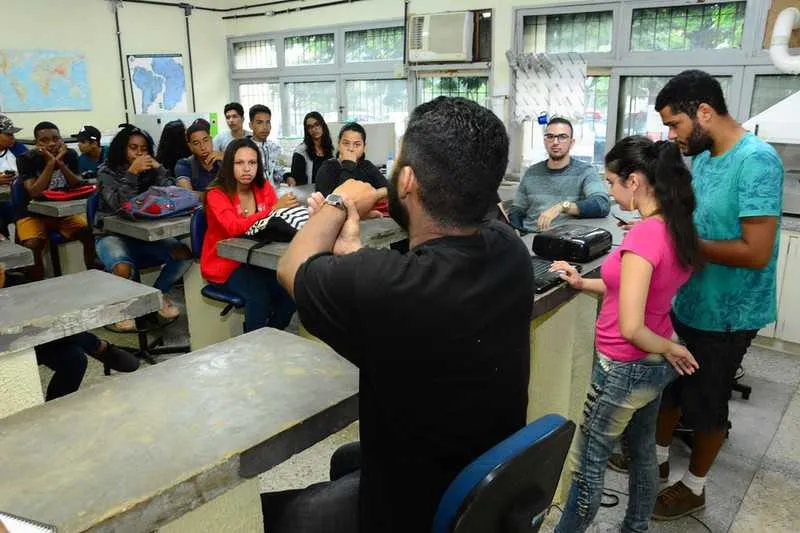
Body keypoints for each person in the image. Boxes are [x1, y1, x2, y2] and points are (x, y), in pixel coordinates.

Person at [268, 96, 532, 532]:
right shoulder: (510, 252)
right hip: (482, 479)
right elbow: (403, 281)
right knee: (344, 459)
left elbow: (291, 267)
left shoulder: (388, 285)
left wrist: (340, 200)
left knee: (298, 517)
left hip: (419, 505)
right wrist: (357, 241)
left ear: (406, 179)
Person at [628, 70, 782, 521]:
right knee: (670, 389)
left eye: (675, 125)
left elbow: (755, 253)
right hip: (690, 301)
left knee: (707, 403)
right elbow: (699, 224)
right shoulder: (708, 157)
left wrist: (683, 243)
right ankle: (653, 460)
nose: (672, 136)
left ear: (705, 112)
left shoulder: (757, 161)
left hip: (729, 313)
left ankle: (694, 486)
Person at [551, 136, 703, 533]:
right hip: (652, 364)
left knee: (587, 467)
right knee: (642, 453)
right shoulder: (673, 225)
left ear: (634, 180)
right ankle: (636, 527)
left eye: (612, 182)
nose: (611, 191)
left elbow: (632, 327)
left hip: (624, 365)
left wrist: (672, 347)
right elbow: (632, 291)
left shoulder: (645, 235)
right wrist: (583, 284)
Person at [94, 124, 192, 331]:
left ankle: (156, 297)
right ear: (122, 148)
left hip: (143, 235)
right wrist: (131, 173)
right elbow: (119, 206)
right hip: (111, 235)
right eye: (133, 148)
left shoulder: (150, 170)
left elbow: (171, 194)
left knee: (183, 253)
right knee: (122, 266)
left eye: (143, 149)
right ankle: (123, 309)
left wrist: (158, 169)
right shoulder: (106, 171)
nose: (139, 153)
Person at [0, 256, 139, 401]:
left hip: (29, 341)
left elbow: (42, 312)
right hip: (7, 347)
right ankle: (98, 346)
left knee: (74, 358)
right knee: (58, 336)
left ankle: (54, 409)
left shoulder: (16, 283)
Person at [201, 138, 298, 332]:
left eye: (252, 163)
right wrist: (271, 210)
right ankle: (255, 345)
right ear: (229, 164)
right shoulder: (216, 194)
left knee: (293, 287)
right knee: (258, 295)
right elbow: (233, 227)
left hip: (257, 259)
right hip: (224, 263)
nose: (247, 169)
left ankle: (273, 334)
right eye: (239, 163)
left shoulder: (263, 188)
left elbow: (276, 222)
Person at [15, 121, 96, 281]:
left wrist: (60, 163)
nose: (51, 143)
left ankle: (93, 274)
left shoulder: (70, 155)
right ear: (36, 143)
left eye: (55, 138)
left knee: (90, 233)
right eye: (44, 140)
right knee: (33, 245)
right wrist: (50, 163)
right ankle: (38, 284)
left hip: (61, 215)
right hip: (31, 214)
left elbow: (76, 184)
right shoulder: (26, 159)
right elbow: (34, 191)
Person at [510, 117, 610, 232]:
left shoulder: (585, 172)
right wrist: (515, 231)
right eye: (550, 137)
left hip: (562, 240)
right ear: (545, 141)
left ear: (571, 143)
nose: (555, 142)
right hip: (528, 235)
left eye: (562, 137)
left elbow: (602, 204)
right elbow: (517, 209)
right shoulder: (531, 172)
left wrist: (562, 206)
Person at [314, 122, 388, 198]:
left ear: (364, 148)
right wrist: (348, 165)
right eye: (346, 143)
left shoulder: (366, 166)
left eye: (357, 144)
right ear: (339, 145)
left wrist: (371, 195)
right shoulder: (327, 167)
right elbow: (335, 200)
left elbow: (388, 189)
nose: (351, 149)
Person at [175, 118, 223, 195]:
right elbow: (188, 194)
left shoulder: (223, 160)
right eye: (196, 143)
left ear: (211, 140)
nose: (203, 147)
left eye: (206, 140)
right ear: (190, 146)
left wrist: (228, 160)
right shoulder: (185, 164)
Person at [248, 104, 288, 189]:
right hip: (254, 197)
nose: (265, 127)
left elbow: (278, 173)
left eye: (268, 122)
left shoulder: (275, 148)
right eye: (259, 122)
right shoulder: (245, 149)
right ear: (251, 125)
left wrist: (287, 177)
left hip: (274, 195)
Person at [289, 111, 334, 186]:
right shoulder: (300, 152)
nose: (314, 129)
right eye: (310, 127)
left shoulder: (329, 147)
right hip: (308, 193)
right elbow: (298, 182)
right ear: (307, 131)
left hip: (327, 192)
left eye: (317, 125)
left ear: (323, 126)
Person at [0, 114, 26, 232]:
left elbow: (30, 167)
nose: (13, 138)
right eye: (8, 134)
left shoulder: (17, 148)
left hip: (17, 197)